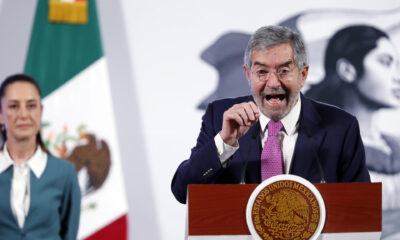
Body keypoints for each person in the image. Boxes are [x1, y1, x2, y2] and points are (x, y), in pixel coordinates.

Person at [171, 25, 370, 204]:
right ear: (248, 75)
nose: (273, 83)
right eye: (262, 72)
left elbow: (361, 208)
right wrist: (225, 142)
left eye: (284, 70)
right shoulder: (220, 116)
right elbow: (183, 191)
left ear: (303, 75)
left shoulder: (341, 127)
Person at [306, 25, 400, 239]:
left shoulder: (396, 146)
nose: (397, 76)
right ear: (348, 70)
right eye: (386, 63)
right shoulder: (317, 149)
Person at [0, 74, 81, 239]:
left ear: (40, 111)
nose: (23, 114)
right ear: (1, 115)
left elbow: (69, 234)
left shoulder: (64, 173)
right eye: (14, 106)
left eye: (31, 106)